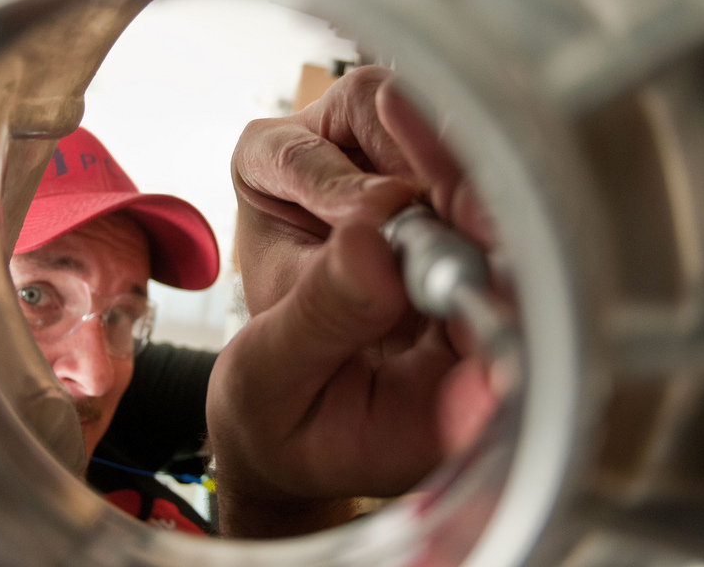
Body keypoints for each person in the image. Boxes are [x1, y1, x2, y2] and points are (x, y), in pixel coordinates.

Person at [205, 65, 500, 538]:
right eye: (37, 295)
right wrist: (270, 498)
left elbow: (259, 413)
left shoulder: (143, 393)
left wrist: (272, 489)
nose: (94, 367)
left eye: (123, 312)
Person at [9, 127, 221, 535]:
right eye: (34, 296)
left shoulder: (121, 401)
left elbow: (269, 388)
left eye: (120, 315)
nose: (97, 376)